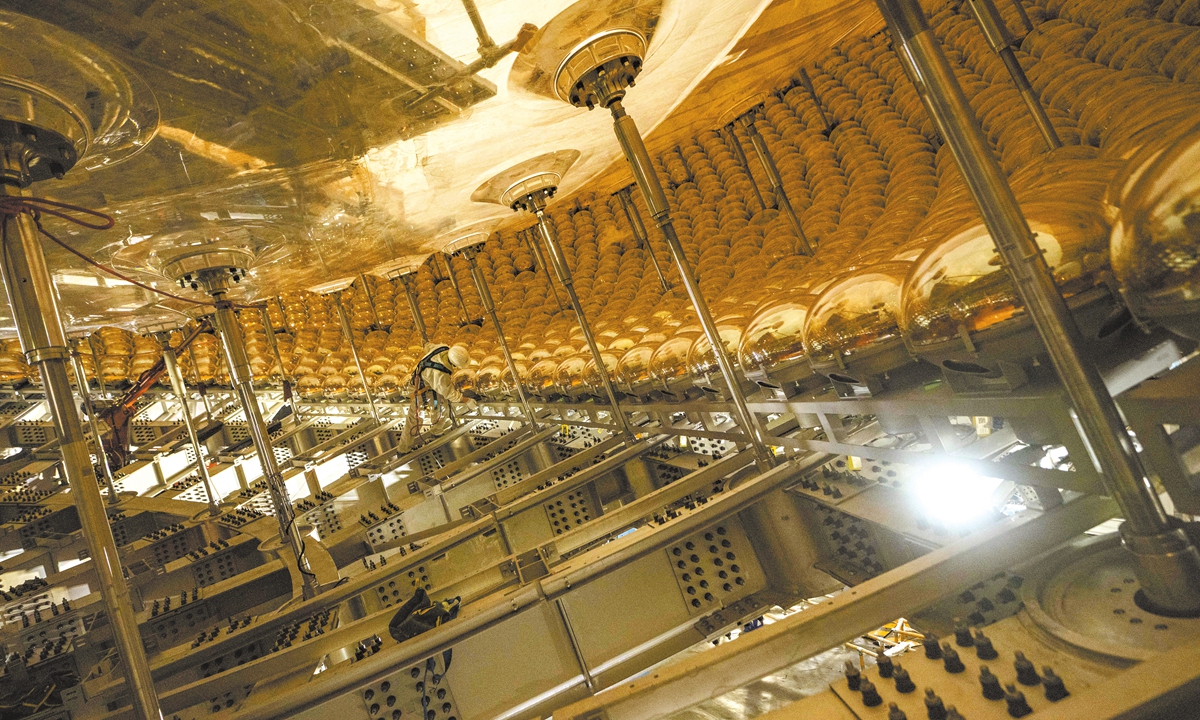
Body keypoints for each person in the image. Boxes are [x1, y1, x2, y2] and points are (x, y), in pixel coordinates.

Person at [398, 343, 477, 453]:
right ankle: (403, 450)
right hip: (421, 390)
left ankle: (436, 431)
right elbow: (449, 393)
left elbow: (428, 346)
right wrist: (466, 400)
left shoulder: (442, 348)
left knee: (440, 408)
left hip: (429, 385)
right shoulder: (439, 374)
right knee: (416, 419)